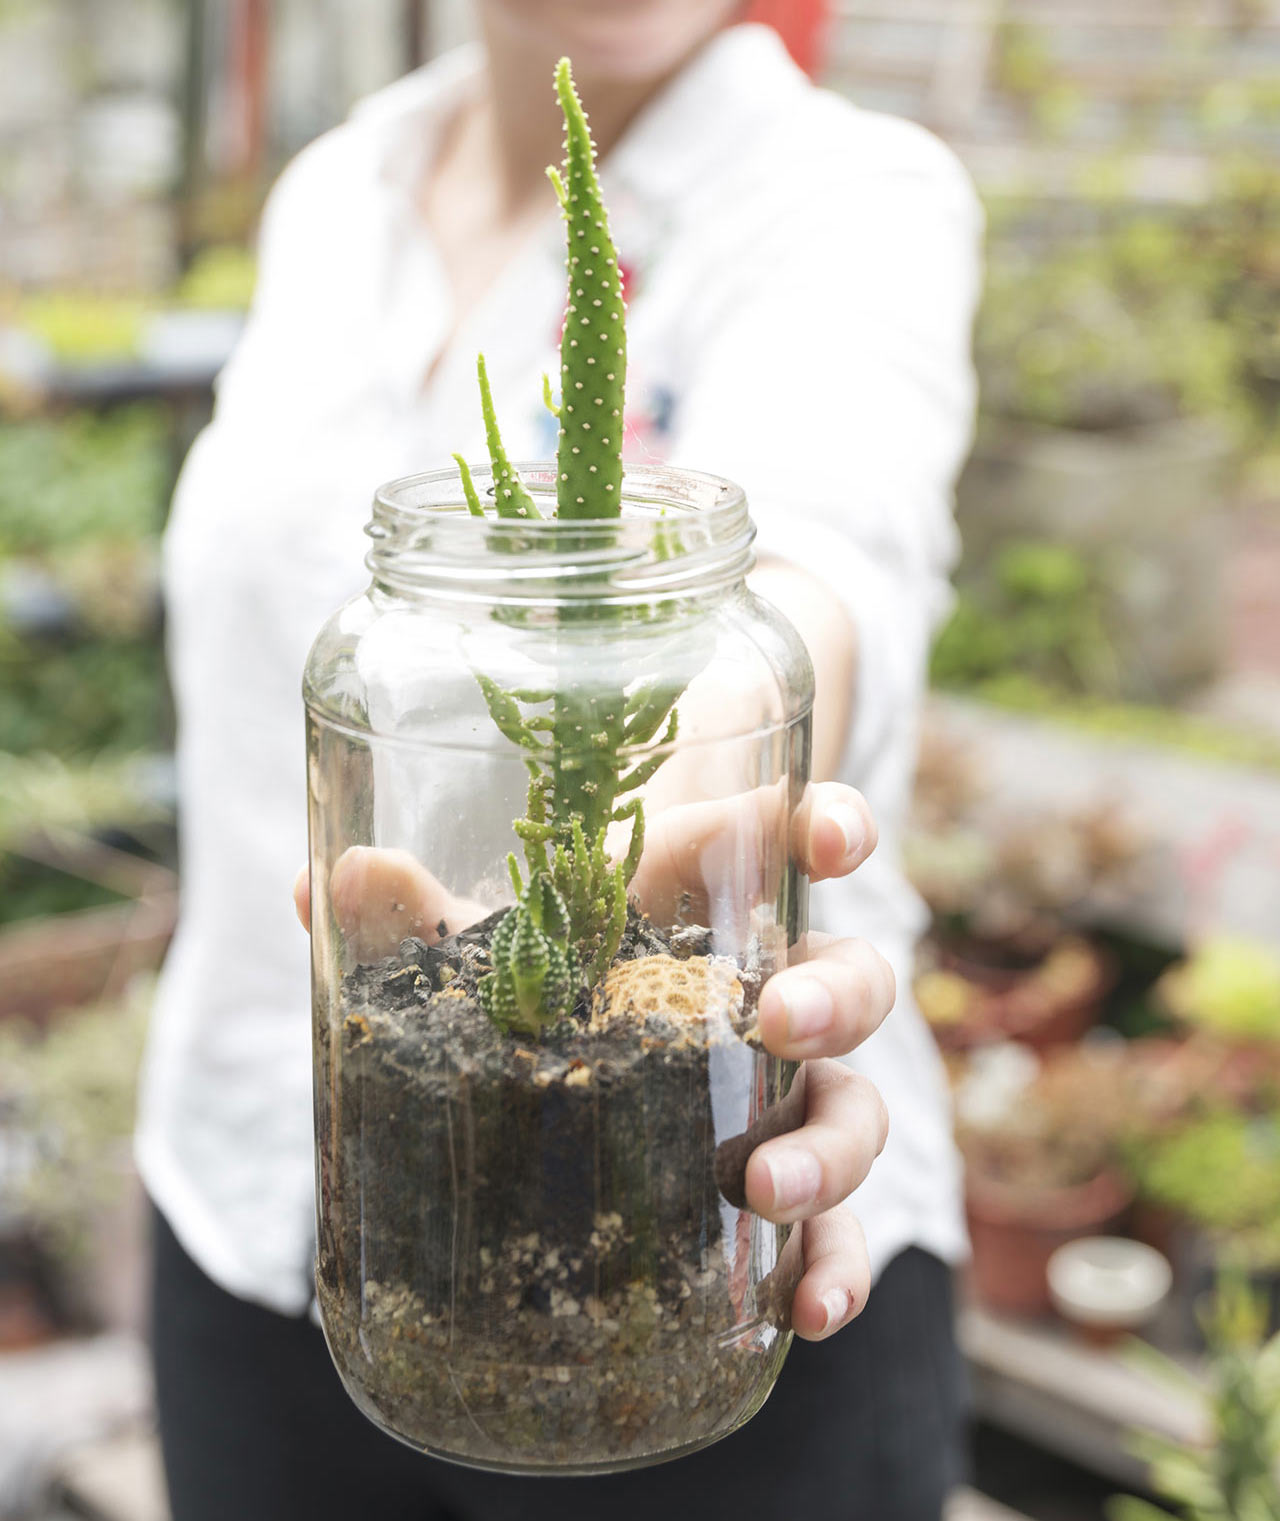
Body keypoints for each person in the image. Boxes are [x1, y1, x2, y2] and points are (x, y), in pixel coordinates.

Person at [136, 3, 982, 1517]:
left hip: (673, 1243)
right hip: (247, 1196)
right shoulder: (337, 186)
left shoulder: (850, 192)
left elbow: (810, 567)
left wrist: (679, 848)